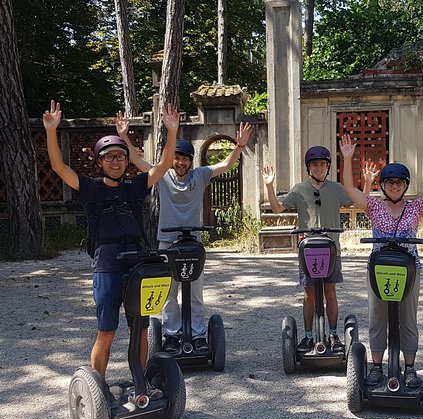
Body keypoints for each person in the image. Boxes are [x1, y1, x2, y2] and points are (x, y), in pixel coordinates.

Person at [43, 100, 179, 378]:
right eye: (109, 157)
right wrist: (51, 130)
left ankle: (141, 385)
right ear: (100, 162)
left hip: (137, 261)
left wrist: (172, 131)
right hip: (106, 263)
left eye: (120, 156)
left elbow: (164, 165)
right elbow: (58, 167)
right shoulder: (89, 187)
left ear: (127, 160)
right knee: (107, 330)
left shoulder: (135, 186)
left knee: (140, 329)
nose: (115, 161)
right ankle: (98, 385)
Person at [118, 113, 253, 353]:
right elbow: (138, 162)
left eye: (185, 159)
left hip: (193, 243)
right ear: (171, 160)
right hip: (167, 242)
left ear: (191, 161)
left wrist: (239, 146)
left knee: (195, 292)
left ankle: (199, 334)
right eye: (177, 158)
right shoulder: (162, 175)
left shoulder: (199, 176)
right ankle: (171, 333)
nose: (180, 163)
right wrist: (124, 137)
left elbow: (225, 165)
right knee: (169, 292)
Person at [340, 133, 423, 387]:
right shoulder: (373, 206)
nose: (394, 186)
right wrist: (347, 158)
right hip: (379, 268)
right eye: (390, 183)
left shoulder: (416, 207)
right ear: (382, 186)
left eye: (399, 183)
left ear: (405, 185)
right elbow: (350, 190)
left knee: (408, 319)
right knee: (378, 317)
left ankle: (409, 368)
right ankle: (376, 367)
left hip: (409, 270)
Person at [262, 145, 358, 354]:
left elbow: (355, 203)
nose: (318, 168)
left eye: (322, 164)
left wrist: (367, 183)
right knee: (309, 294)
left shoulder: (336, 189)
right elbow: (278, 209)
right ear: (309, 167)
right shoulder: (299, 189)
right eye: (314, 164)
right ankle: (308, 336)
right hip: (308, 250)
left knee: (330, 293)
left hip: (332, 249)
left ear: (328, 166)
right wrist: (269, 186)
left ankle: (333, 334)